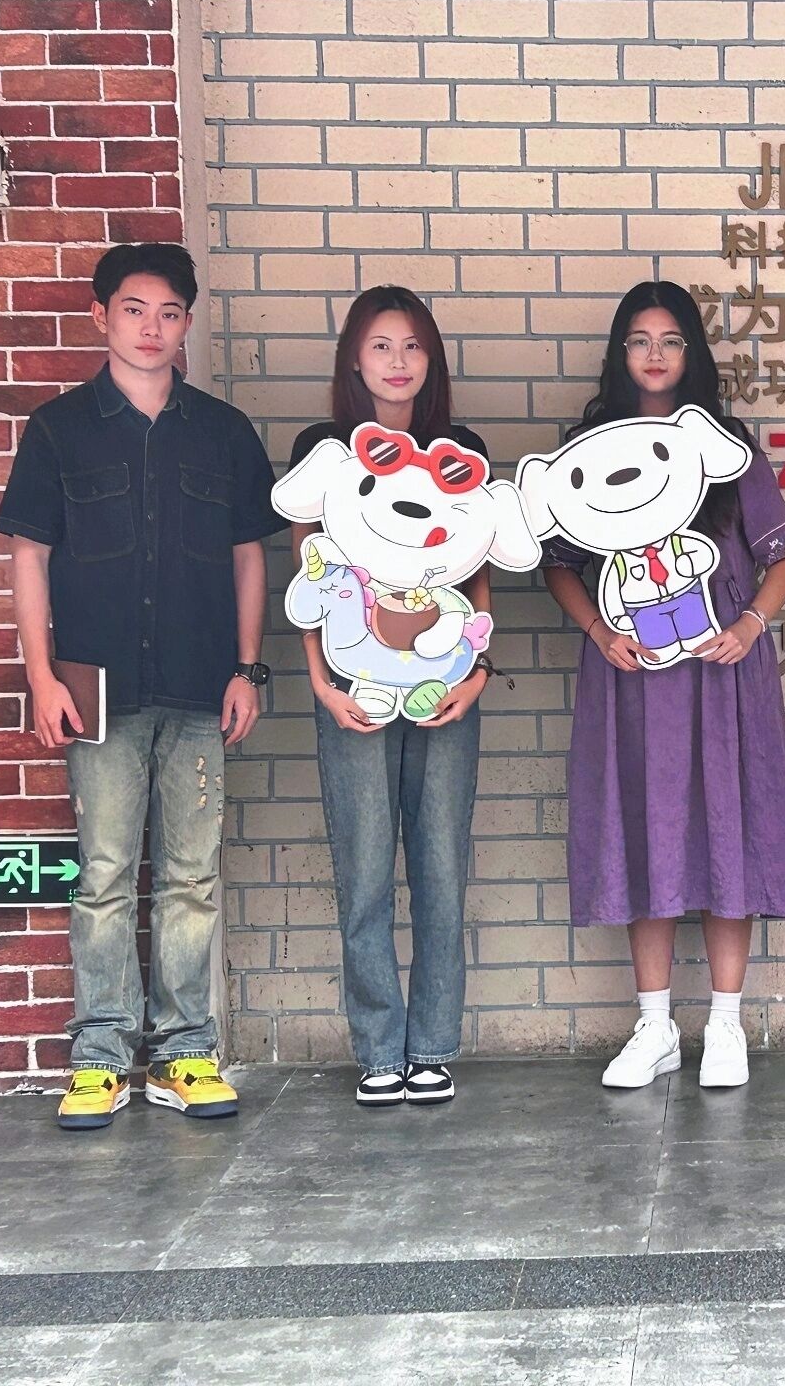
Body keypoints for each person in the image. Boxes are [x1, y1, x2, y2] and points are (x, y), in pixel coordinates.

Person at [0, 242, 284, 1131]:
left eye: (168, 313)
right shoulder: (59, 430)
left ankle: (187, 1052)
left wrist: (247, 668)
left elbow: (248, 557)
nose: (151, 328)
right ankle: (100, 1058)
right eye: (133, 309)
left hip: (201, 686)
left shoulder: (224, 432)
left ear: (187, 323)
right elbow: (29, 557)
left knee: (192, 877)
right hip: (98, 689)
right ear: (101, 317)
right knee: (106, 875)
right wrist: (41, 675)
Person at [541, 279, 785, 1092]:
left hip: (722, 678)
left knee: (729, 830)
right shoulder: (587, 449)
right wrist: (599, 631)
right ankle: (654, 1026)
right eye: (639, 340)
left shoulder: (727, 448)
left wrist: (751, 625)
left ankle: (726, 1025)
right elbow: (558, 566)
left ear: (691, 354)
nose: (653, 355)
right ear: (619, 352)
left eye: (669, 340)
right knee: (644, 833)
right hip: (632, 681)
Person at [286, 287, 503, 1107]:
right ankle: (380, 1047)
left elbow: (478, 576)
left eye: (413, 346)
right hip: (354, 689)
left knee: (441, 866)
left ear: (431, 358)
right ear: (355, 356)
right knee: (366, 866)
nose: (398, 362)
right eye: (381, 345)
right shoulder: (324, 450)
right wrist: (319, 681)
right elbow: (307, 576)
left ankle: (433, 1046)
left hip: (447, 687)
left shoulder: (461, 450)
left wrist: (478, 673)